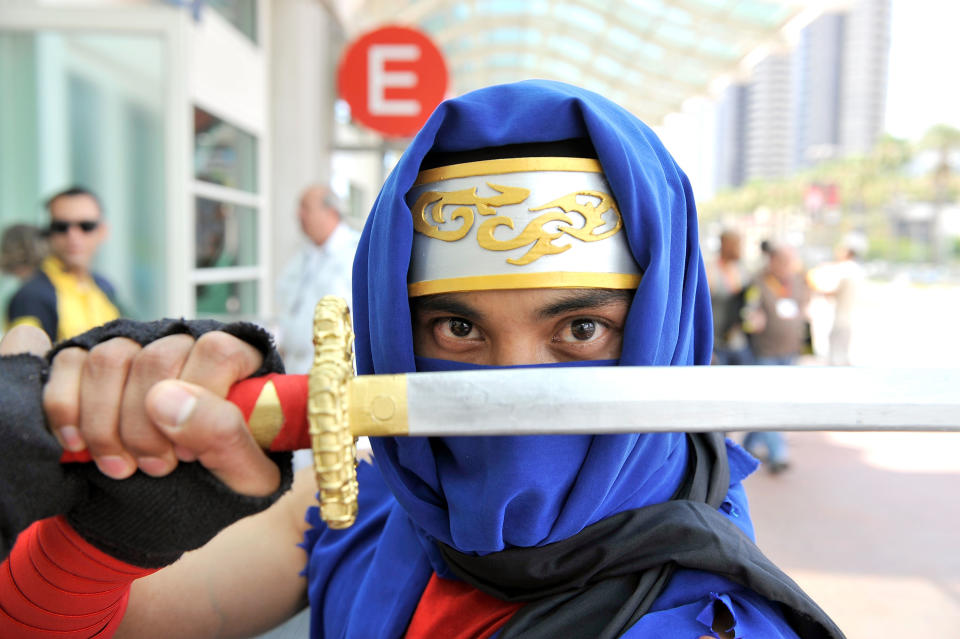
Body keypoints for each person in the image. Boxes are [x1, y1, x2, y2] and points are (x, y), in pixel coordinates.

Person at [0, 81, 843, 638]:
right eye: (458, 330)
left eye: (581, 329)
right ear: (395, 334)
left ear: (662, 332)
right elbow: (100, 621)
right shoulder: (375, 506)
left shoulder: (710, 622)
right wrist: (111, 531)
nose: (510, 391)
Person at [6, 186, 119, 341]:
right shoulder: (31, 296)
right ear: (47, 233)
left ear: (103, 231)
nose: (73, 235)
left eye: (86, 226)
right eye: (61, 227)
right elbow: (23, 360)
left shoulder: (104, 286)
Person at [275, 185, 360, 375]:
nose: (298, 214)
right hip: (294, 371)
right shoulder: (303, 254)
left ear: (330, 212)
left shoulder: (356, 253)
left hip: (334, 376)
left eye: (305, 208)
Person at [741, 244, 810, 474]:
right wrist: (753, 318)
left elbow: (804, 305)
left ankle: (750, 443)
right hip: (765, 352)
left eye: (790, 262)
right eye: (782, 261)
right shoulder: (758, 283)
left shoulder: (798, 282)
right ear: (772, 262)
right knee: (770, 404)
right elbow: (748, 311)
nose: (786, 267)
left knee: (777, 402)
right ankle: (778, 454)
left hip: (790, 351)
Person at [806, 237, 866, 366]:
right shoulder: (857, 270)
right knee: (842, 354)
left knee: (836, 357)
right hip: (849, 317)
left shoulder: (844, 269)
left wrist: (812, 286)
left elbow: (830, 291)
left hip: (841, 319)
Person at [705, 230, 752, 365]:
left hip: (739, 342)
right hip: (717, 344)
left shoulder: (742, 271)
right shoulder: (711, 271)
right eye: (737, 245)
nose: (740, 250)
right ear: (725, 245)